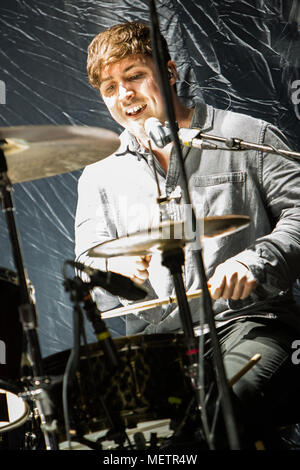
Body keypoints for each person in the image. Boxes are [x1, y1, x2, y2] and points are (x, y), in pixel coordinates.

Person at [75, 21, 300, 449]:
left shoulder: (247, 137)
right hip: (153, 349)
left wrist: (257, 260)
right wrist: (108, 267)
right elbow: (87, 261)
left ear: (170, 72)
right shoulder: (99, 175)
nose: (124, 94)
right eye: (109, 87)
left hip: (249, 323)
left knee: (218, 413)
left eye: (135, 76)